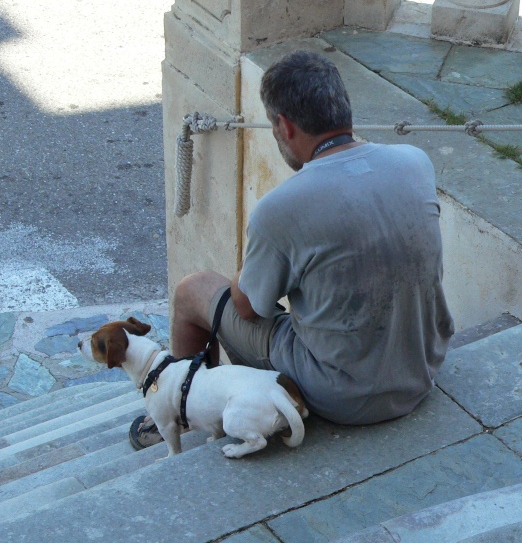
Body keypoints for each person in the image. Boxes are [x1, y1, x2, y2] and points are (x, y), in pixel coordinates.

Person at [130, 49, 454, 448]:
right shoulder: (414, 163)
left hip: (341, 396)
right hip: (419, 374)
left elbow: (250, 307)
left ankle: (177, 417)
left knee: (193, 290)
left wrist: (247, 271)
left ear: (283, 125)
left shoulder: (281, 208)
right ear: (343, 109)